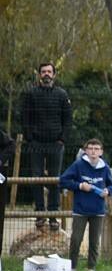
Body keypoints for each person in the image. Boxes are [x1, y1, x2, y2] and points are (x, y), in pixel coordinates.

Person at [20, 62, 72, 230]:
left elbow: (68, 120)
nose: (46, 74)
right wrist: (29, 138)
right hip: (36, 143)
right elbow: (25, 117)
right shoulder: (31, 94)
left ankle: (53, 216)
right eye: (43, 72)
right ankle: (40, 213)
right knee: (37, 178)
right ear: (39, 75)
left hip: (56, 143)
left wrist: (62, 139)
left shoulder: (62, 95)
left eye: (49, 71)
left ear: (54, 75)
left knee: (55, 180)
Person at [58, 138, 112, 271]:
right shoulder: (78, 165)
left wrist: (108, 191)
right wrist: (79, 186)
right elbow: (63, 180)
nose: (93, 151)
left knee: (94, 242)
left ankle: (91, 268)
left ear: (101, 152)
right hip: (80, 210)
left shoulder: (105, 167)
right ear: (86, 151)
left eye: (96, 149)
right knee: (76, 239)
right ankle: (72, 267)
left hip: (98, 210)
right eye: (90, 148)